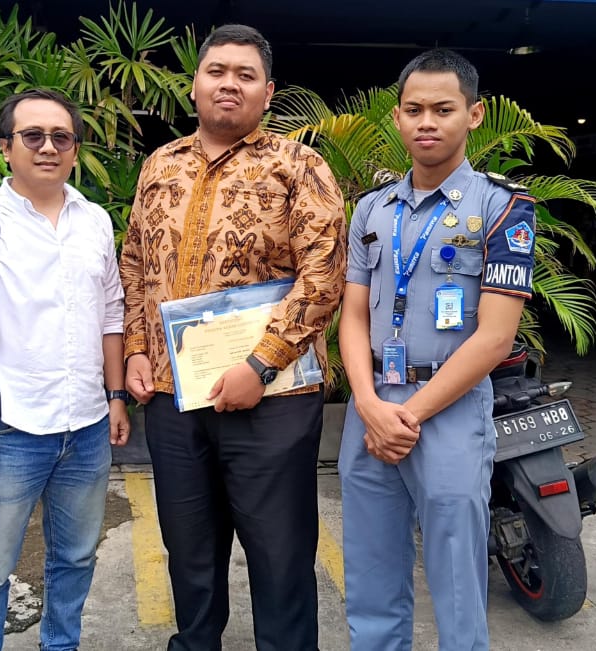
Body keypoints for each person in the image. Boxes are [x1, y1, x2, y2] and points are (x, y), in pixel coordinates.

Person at [120, 24, 346, 650]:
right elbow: (134, 263)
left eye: (246, 75)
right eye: (216, 71)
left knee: (280, 553)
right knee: (188, 548)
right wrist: (136, 348)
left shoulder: (299, 166)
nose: (229, 84)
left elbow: (324, 274)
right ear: (194, 84)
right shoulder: (159, 165)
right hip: (172, 396)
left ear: (267, 93)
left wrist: (260, 365)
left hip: (272, 397)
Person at [337, 48, 537, 650]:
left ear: (473, 115)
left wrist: (409, 415)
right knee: (370, 572)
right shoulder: (372, 210)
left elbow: (495, 336)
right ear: (397, 117)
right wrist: (368, 403)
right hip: (372, 404)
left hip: (448, 410)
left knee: (456, 578)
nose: (427, 122)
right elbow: (352, 316)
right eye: (414, 109)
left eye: (443, 109)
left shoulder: (502, 206)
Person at [0, 89, 131, 651]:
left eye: (61, 137)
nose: (48, 147)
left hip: (86, 427)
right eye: (32, 136)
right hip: (7, 429)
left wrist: (116, 397)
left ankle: (60, 645)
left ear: (75, 149)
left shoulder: (94, 221)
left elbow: (111, 314)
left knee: (76, 557)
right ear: (5, 147)